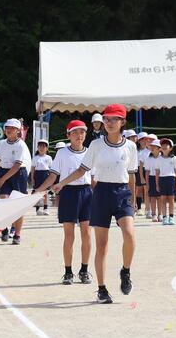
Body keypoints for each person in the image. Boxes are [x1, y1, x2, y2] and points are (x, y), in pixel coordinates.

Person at [46, 104, 137, 304]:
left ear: (122, 122)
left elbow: (131, 175)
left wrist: (134, 199)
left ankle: (125, 271)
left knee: (130, 235)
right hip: (101, 193)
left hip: (122, 193)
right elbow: (82, 170)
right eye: (106, 119)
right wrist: (61, 183)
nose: (109, 122)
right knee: (102, 245)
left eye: (114, 119)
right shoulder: (96, 145)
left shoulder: (131, 146)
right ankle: (102, 289)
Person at [35, 120, 92, 285]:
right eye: (75, 132)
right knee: (69, 234)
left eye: (82, 132)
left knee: (87, 234)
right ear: (68, 135)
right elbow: (53, 176)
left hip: (87, 193)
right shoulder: (62, 153)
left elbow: (94, 177)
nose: (79, 135)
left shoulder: (90, 153)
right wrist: (38, 190)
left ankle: (84, 270)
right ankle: (68, 272)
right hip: (68, 193)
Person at [155, 138, 176, 225]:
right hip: (162, 179)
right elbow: (157, 172)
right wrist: (157, 184)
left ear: (171, 148)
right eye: (163, 145)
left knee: (171, 199)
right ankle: (164, 217)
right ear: (160, 148)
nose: (164, 147)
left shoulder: (174, 158)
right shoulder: (159, 159)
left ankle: (171, 217)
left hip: (171, 179)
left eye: (167, 145)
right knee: (163, 199)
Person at [31, 139, 52, 215]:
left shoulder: (49, 157)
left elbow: (51, 169)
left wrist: (51, 180)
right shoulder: (35, 158)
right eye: (40, 146)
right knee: (37, 192)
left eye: (44, 146)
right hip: (38, 175)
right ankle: (37, 210)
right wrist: (32, 179)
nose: (42, 148)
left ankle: (46, 208)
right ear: (37, 147)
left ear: (47, 148)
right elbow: (33, 169)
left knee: (45, 193)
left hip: (46, 175)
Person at [144, 138, 161, 222]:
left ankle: (160, 214)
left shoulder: (163, 158)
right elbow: (147, 172)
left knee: (160, 197)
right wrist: (147, 183)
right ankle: (154, 214)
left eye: (154, 146)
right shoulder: (148, 159)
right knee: (153, 197)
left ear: (159, 148)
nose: (152, 148)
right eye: (152, 146)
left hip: (161, 178)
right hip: (151, 178)